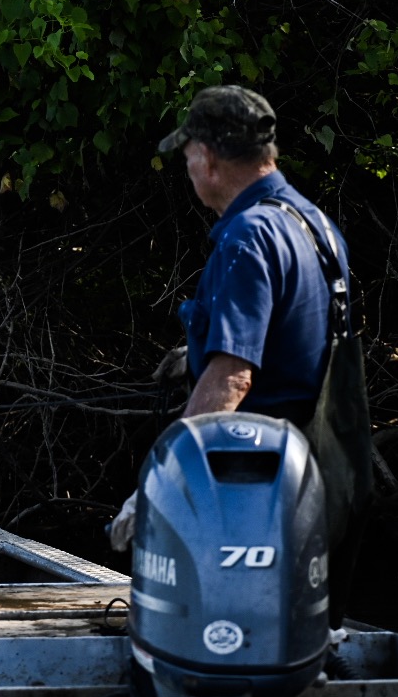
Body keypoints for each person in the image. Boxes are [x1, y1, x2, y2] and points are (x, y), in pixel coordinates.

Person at [110, 84, 351, 551]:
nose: (188, 168)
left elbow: (232, 379)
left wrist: (158, 484)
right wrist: (197, 352)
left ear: (208, 159)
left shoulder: (247, 237)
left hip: (258, 488)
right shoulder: (314, 223)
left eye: (186, 156)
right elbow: (292, 334)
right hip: (319, 478)